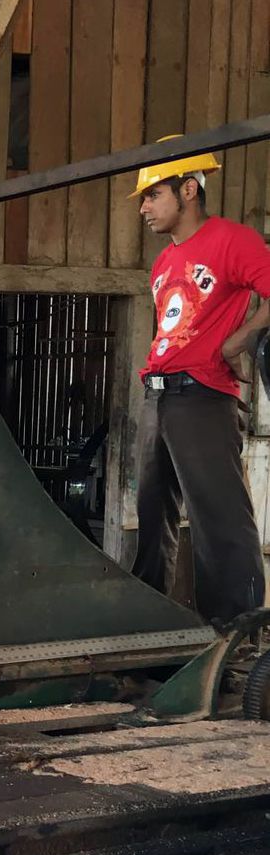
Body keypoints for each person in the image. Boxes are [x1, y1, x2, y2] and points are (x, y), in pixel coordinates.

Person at [130, 136, 270, 626]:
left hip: (203, 394)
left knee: (219, 520)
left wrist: (239, 341)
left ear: (188, 189)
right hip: (158, 395)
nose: (144, 208)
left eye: (153, 195)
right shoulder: (165, 260)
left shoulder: (233, 240)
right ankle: (148, 630)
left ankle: (236, 638)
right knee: (152, 517)